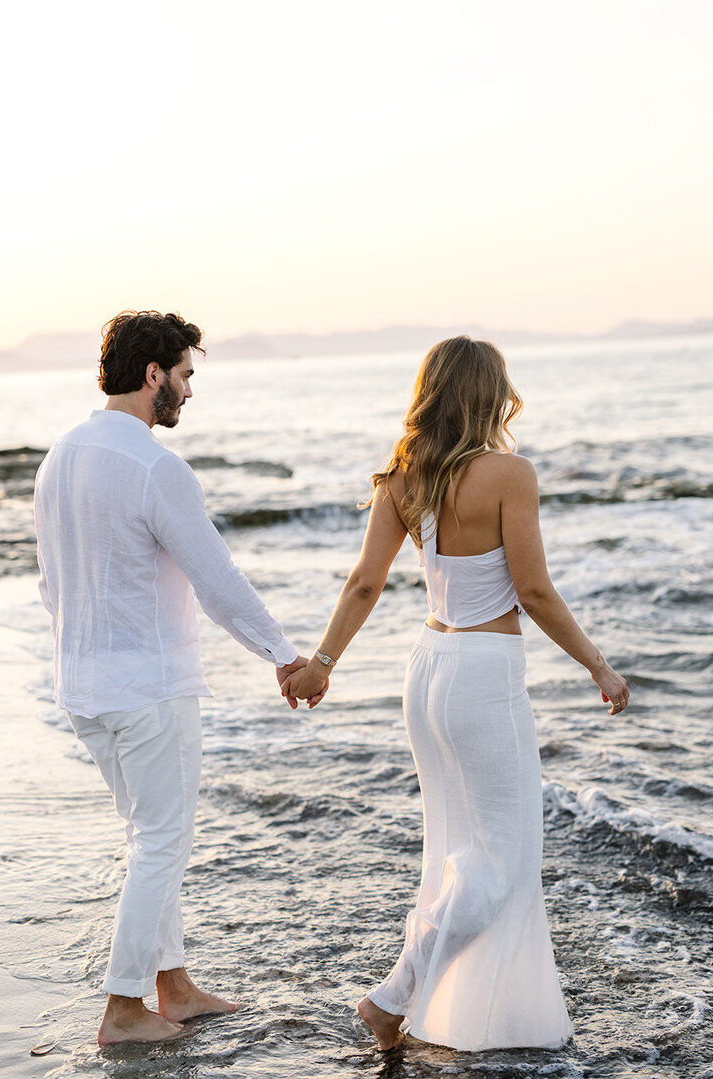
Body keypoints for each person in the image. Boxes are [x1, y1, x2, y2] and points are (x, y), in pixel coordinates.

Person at [282, 336, 630, 1053]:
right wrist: (599, 665)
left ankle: (436, 1007)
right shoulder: (510, 472)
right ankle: (393, 997)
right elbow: (532, 590)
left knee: (455, 851)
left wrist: (323, 662)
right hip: (483, 674)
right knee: (501, 859)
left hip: (428, 668)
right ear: (489, 394)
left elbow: (364, 584)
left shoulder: (403, 477)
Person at [33, 310, 307, 1047]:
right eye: (184, 375)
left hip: (85, 690)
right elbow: (215, 578)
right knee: (162, 841)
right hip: (148, 689)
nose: (188, 390)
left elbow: (50, 584)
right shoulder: (155, 466)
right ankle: (124, 1009)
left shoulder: (61, 455)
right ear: (153, 374)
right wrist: (284, 656)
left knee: (150, 836)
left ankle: (173, 987)